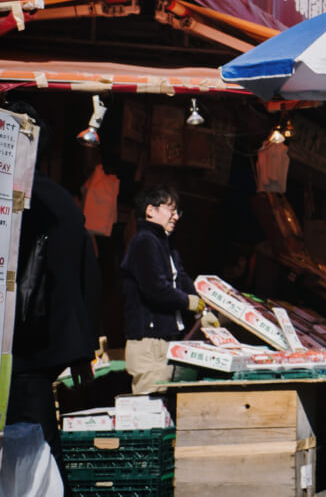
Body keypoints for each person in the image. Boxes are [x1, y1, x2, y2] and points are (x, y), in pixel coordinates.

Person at [7, 102, 101, 494]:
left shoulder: (14, 200)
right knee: (39, 443)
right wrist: (81, 351)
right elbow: (87, 278)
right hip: (44, 351)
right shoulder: (63, 201)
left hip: (19, 344)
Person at [120, 185, 204, 393]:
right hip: (149, 342)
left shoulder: (165, 244)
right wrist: (188, 302)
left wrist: (203, 307)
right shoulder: (144, 242)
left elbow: (181, 278)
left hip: (167, 339)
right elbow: (155, 288)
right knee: (149, 406)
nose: (176, 217)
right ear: (150, 210)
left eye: (178, 212)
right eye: (171, 210)